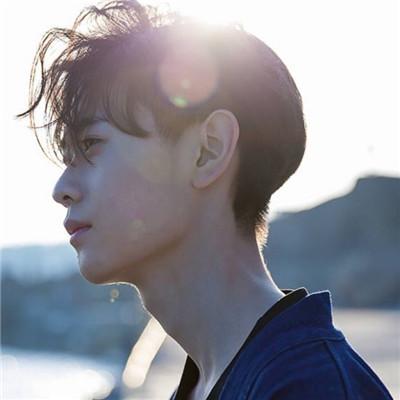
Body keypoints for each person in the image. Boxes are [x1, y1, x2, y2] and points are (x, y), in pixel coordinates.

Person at [17, 1, 393, 399]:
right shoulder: (214, 380)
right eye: (67, 158)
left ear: (207, 151)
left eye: (91, 143)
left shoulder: (310, 387)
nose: (61, 189)